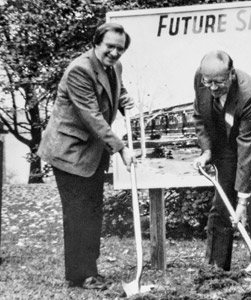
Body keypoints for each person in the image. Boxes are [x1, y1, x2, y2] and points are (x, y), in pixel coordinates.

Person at [37, 23, 135, 290]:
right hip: (69, 151)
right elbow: (91, 116)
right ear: (96, 43)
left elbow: (115, 89)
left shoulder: (115, 66)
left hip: (92, 151)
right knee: (79, 213)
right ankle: (80, 275)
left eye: (120, 48)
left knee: (92, 211)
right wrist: (121, 148)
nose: (115, 53)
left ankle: (90, 270)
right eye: (110, 46)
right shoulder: (79, 70)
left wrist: (124, 100)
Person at [192, 50, 251, 271]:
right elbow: (200, 116)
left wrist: (242, 200)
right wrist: (206, 151)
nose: (212, 88)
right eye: (208, 82)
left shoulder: (248, 94)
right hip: (229, 142)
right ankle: (215, 270)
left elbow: (248, 147)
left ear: (231, 74)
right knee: (222, 202)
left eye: (219, 83)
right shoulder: (201, 78)